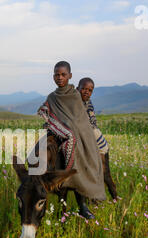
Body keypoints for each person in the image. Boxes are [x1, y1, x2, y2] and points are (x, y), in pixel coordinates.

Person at [37, 61, 106, 219]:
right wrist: (55, 122)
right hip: (57, 131)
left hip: (75, 136)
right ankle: (53, 202)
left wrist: (72, 130)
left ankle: (82, 206)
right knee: (40, 151)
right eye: (56, 74)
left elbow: (79, 120)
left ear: (70, 76)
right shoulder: (52, 97)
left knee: (77, 150)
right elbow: (45, 110)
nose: (59, 77)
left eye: (63, 74)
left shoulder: (75, 95)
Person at [77, 77, 118, 200]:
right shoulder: (73, 100)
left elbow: (92, 122)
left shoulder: (88, 103)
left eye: (89, 90)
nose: (86, 92)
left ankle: (100, 159)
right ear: (77, 88)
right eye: (83, 89)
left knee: (100, 143)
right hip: (77, 131)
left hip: (89, 131)